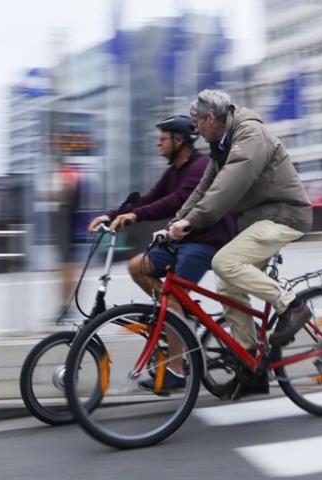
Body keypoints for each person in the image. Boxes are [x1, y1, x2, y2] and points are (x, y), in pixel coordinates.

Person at [87, 114, 235, 394]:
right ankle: (176, 320)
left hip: (206, 241)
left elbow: (176, 201)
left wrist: (136, 215)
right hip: (181, 241)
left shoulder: (201, 166)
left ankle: (177, 369)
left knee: (172, 296)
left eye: (163, 138)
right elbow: (148, 199)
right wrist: (111, 214)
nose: (158, 143)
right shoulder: (173, 172)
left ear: (179, 141)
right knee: (137, 266)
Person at [168, 89, 314, 358]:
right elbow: (204, 188)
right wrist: (175, 223)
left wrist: (192, 222)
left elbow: (228, 185)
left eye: (196, 123)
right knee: (227, 285)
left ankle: (292, 306)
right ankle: (249, 360)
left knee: (224, 262)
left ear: (210, 117)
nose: (195, 130)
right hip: (260, 219)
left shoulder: (249, 135)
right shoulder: (223, 145)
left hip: (285, 215)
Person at [54, 158, 85, 318]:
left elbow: (62, 197)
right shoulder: (73, 175)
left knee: (68, 272)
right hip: (71, 231)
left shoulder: (69, 175)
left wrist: (57, 194)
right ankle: (66, 306)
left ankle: (67, 307)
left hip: (70, 232)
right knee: (68, 271)